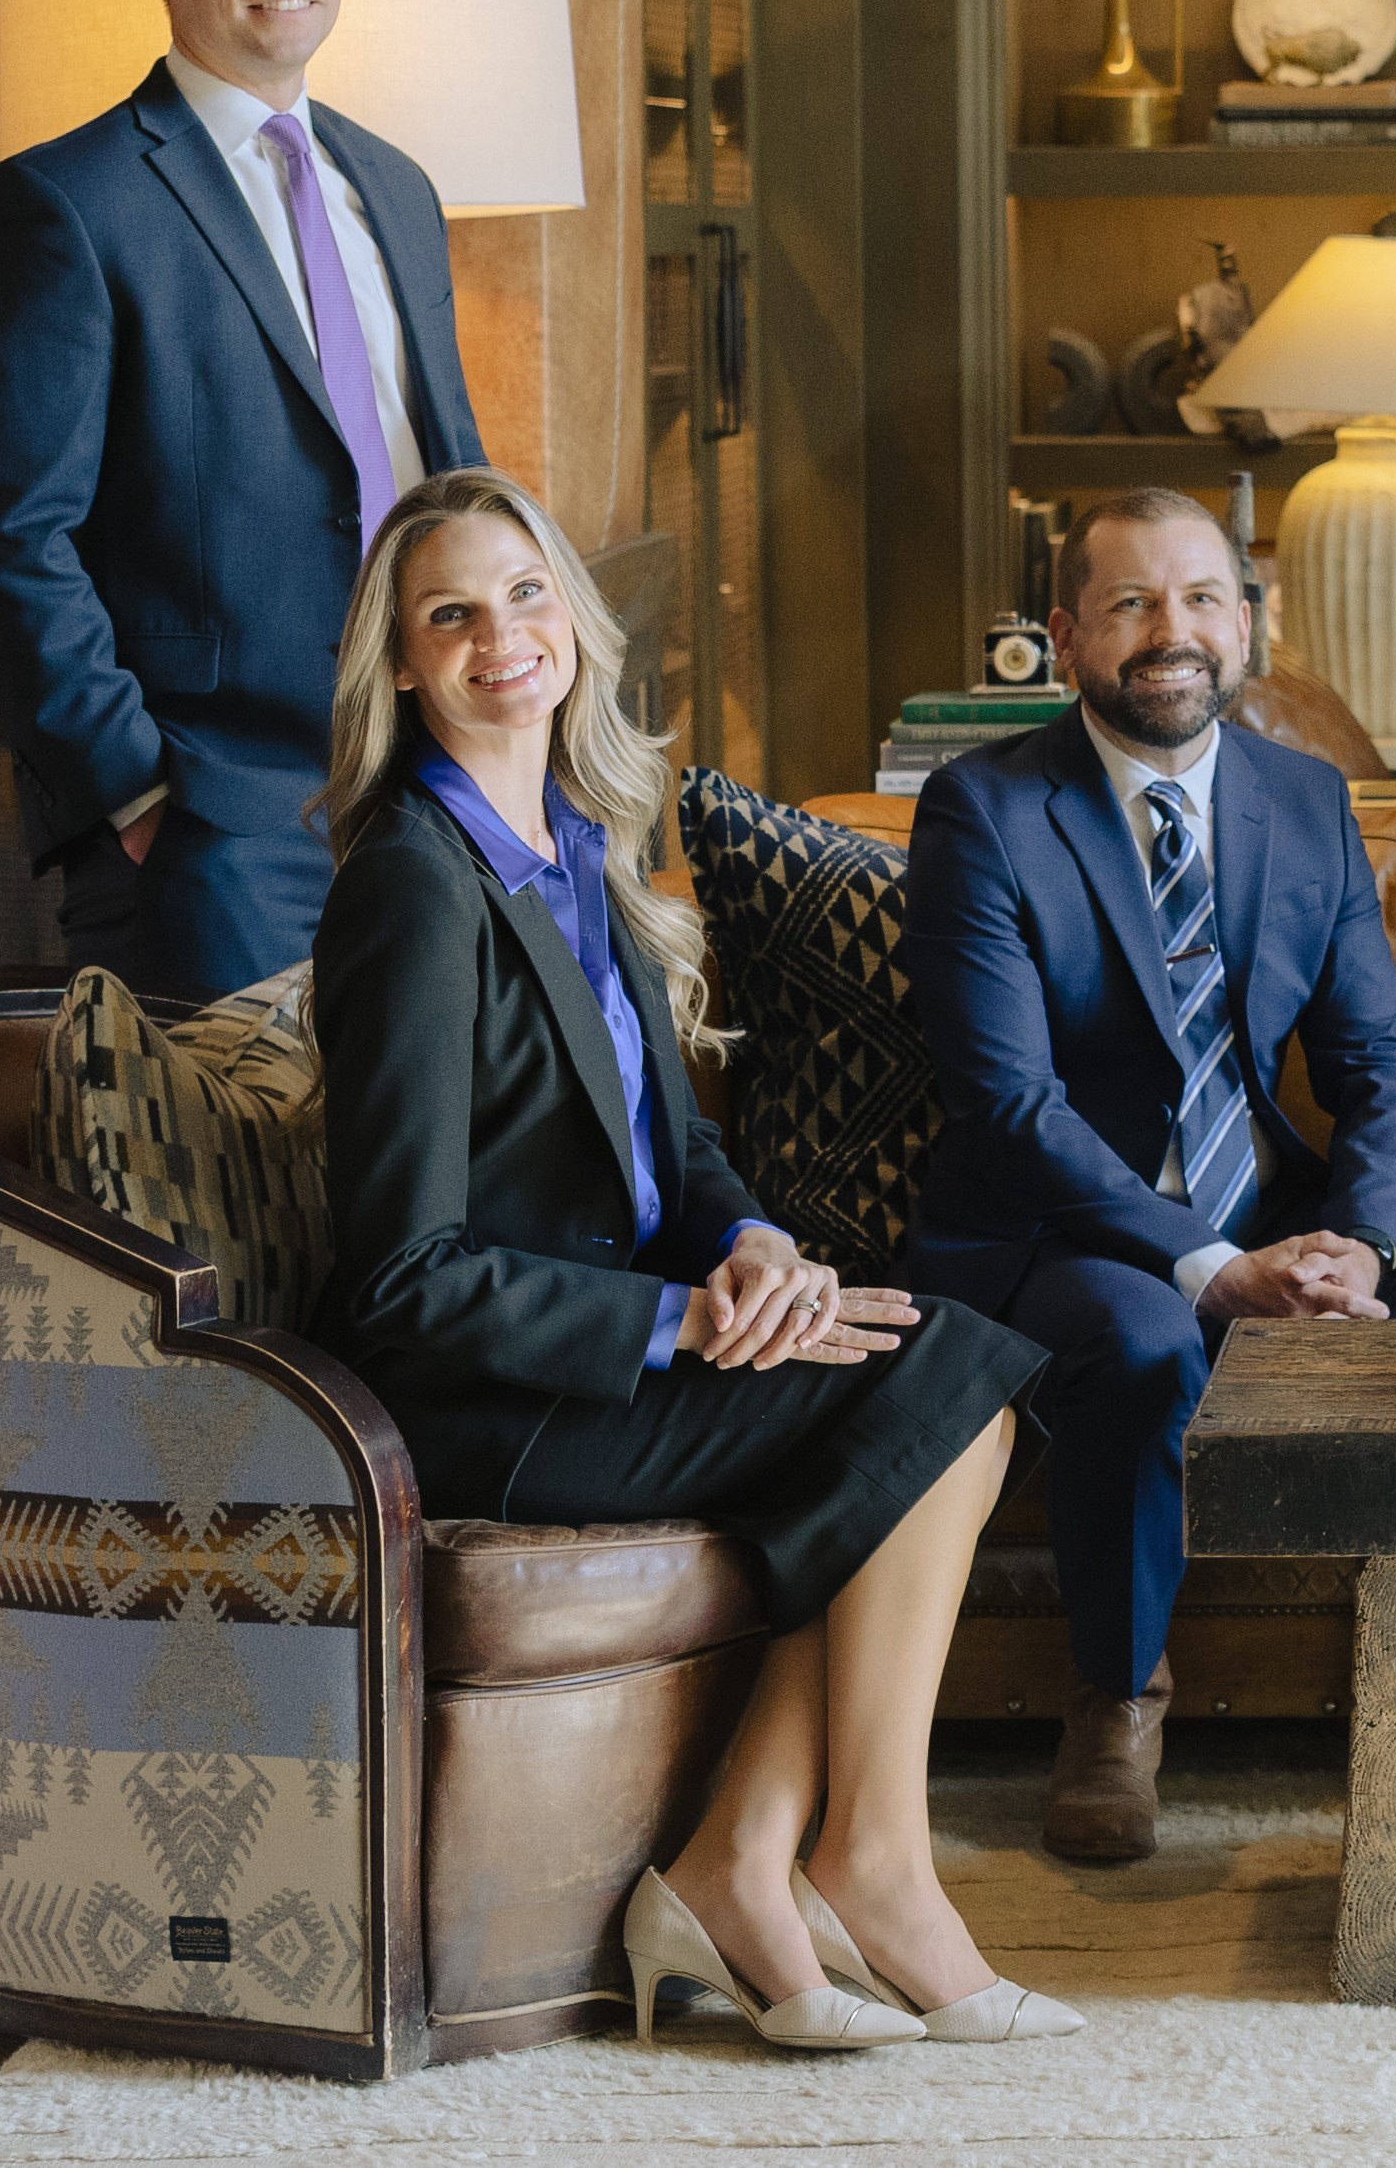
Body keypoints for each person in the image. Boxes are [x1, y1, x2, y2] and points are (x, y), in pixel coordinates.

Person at [311, 469, 1060, 2053]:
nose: (501, 636)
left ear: (575, 620)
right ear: (401, 663)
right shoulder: (415, 884)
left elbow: (673, 1151)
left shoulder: (578, 844)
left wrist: (757, 1247)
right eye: (451, 613)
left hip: (613, 1347)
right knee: (945, 1382)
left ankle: (752, 1853)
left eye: (526, 593)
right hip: (491, 1400)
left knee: (944, 1383)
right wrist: (683, 1324)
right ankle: (859, 1862)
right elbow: (400, 1274)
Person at [899, 488, 1396, 1864]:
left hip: (1269, 1206)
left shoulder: (1302, 796)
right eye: (1131, 602)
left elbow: (1378, 1059)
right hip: (1063, 1234)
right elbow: (1007, 1103)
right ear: (1066, 635)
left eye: (1202, 597)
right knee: (1147, 1333)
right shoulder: (985, 807)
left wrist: (1362, 1246)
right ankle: (1118, 1702)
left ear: (1246, 621)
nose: (1173, 630)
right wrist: (1214, 1265)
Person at [0, 0, 486, 999]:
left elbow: (446, 477)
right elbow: (7, 536)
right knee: (234, 1130)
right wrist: (137, 793)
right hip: (216, 824)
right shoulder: (65, 204)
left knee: (431, 1122)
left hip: (435, 786)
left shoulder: (395, 187)